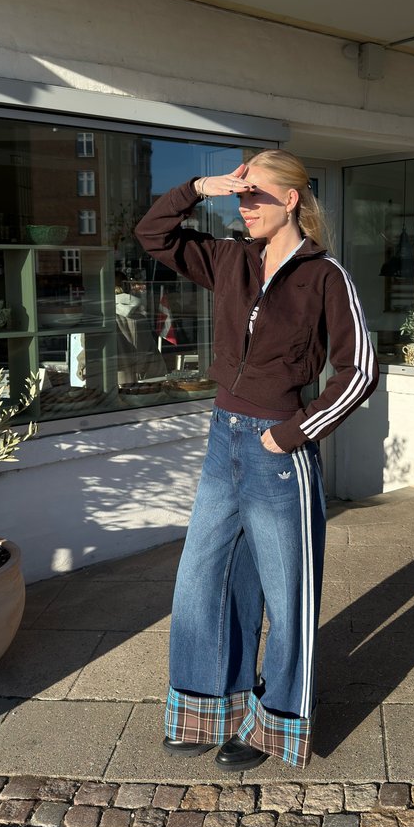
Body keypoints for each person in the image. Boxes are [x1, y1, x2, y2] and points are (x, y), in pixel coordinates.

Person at [135, 149, 378, 772]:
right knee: (203, 580)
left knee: (286, 591)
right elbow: (152, 234)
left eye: (255, 195)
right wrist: (197, 188)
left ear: (290, 199)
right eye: (238, 197)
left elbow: (360, 373)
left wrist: (295, 432)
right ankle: (207, 709)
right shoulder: (230, 259)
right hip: (224, 438)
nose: (244, 207)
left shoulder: (325, 276)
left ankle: (276, 725)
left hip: (277, 450)